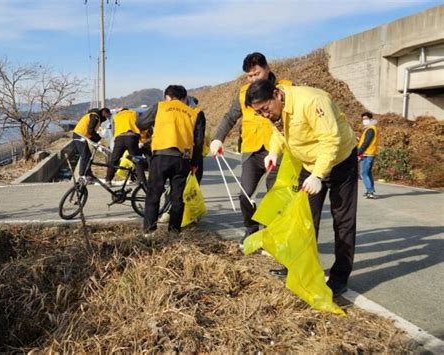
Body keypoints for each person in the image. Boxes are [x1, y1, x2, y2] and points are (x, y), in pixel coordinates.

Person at [245, 79, 358, 297]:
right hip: (309, 164)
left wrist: (318, 175)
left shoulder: (312, 101)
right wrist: (273, 153)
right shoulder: (275, 110)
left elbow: (331, 140)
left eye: (265, 109)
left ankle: (339, 278)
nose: (265, 115)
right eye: (259, 113)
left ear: (277, 94)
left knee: (343, 220)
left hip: (339, 161)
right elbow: (279, 133)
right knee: (302, 219)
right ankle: (297, 268)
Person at [209, 52, 292, 246]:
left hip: (277, 150)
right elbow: (230, 117)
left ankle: (272, 235)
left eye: (257, 73)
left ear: (267, 68)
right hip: (251, 149)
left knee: (275, 195)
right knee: (244, 193)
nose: (253, 78)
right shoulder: (243, 92)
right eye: (250, 75)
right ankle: (250, 228)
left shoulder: (283, 88)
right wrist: (217, 139)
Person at [137, 85, 205, 235]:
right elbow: (198, 142)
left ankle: (149, 232)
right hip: (183, 159)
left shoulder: (160, 107)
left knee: (154, 193)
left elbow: (140, 123)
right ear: (184, 98)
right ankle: (174, 232)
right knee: (177, 198)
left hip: (161, 155)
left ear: (167, 97)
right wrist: (194, 163)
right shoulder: (194, 113)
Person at [105, 107, 147, 186]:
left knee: (114, 160)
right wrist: (141, 139)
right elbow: (141, 125)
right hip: (132, 137)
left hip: (119, 138)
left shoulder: (116, 116)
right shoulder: (134, 113)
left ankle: (108, 180)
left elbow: (113, 130)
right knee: (137, 159)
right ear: (128, 110)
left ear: (121, 111)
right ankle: (142, 181)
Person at [73, 107, 111, 179]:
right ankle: (82, 175)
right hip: (80, 135)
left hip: (82, 135)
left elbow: (91, 133)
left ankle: (88, 174)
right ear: (104, 112)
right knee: (85, 155)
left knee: (88, 155)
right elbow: (91, 130)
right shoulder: (95, 116)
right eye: (107, 115)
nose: (107, 118)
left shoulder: (96, 117)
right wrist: (99, 139)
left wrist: (97, 142)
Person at [357, 112, 379, 199]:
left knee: (363, 174)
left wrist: (358, 152)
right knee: (368, 173)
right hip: (370, 153)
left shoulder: (370, 129)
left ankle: (370, 192)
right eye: (363, 119)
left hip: (367, 154)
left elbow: (366, 143)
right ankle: (370, 190)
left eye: (366, 119)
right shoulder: (371, 128)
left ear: (370, 119)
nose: (364, 121)